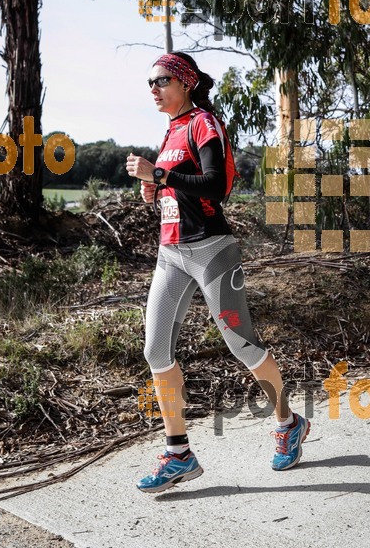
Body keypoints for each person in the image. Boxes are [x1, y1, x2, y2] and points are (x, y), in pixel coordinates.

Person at [126, 51, 310, 493]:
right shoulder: (171, 130)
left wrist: (162, 175)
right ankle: (178, 455)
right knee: (155, 351)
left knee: (242, 345)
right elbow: (176, 185)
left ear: (186, 82)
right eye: (149, 82)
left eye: (161, 80)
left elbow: (218, 185)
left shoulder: (203, 123)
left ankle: (288, 422)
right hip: (170, 254)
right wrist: (156, 192)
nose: (153, 88)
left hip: (211, 250)